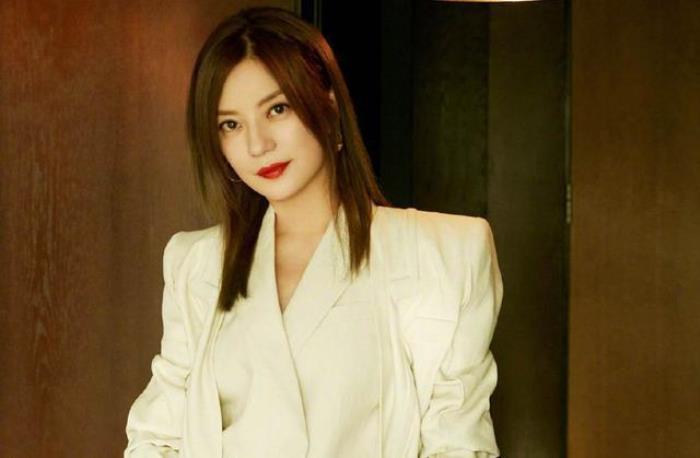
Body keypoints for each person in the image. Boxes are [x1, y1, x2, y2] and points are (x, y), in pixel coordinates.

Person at [124, 6, 503, 458]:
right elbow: (156, 437)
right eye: (231, 124)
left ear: (328, 105)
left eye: (277, 109)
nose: (257, 144)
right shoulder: (197, 264)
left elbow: (458, 443)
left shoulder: (443, 254)